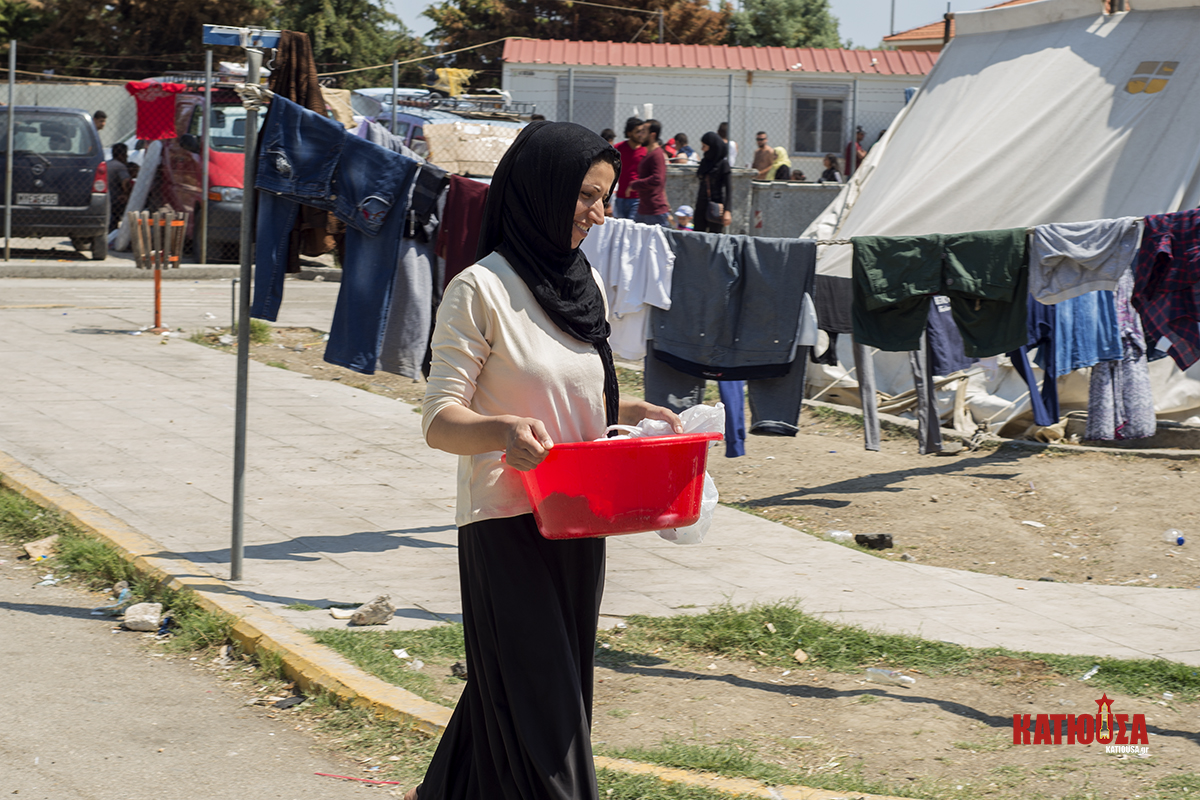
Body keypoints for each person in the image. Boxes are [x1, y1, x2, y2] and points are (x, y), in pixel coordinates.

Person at [411, 120, 681, 800]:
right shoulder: (480, 290)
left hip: (579, 522)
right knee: (548, 719)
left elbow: (574, 399)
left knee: (513, 698)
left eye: (606, 197)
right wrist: (501, 431)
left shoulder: (578, 280)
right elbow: (441, 421)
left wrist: (633, 413)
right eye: (584, 196)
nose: (597, 214)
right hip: (505, 525)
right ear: (540, 190)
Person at [630, 118, 670, 227]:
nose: (640, 135)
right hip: (644, 210)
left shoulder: (657, 155)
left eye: (644, 131)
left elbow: (658, 179)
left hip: (654, 213)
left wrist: (635, 184)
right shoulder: (649, 154)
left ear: (652, 135)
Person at [694, 131, 732, 233]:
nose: (702, 149)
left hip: (716, 206)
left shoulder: (723, 164)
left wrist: (727, 211)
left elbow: (729, 189)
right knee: (698, 236)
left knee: (715, 238)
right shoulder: (704, 162)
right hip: (701, 205)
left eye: (704, 146)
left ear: (712, 146)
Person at [611, 116, 646, 218]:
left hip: (638, 198)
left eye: (643, 131)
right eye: (638, 132)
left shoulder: (645, 150)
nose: (641, 135)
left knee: (632, 228)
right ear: (629, 133)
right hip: (620, 197)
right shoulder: (618, 149)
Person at [107, 142, 133, 231]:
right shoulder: (120, 166)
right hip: (115, 200)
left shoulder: (107, 164)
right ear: (122, 155)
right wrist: (126, 194)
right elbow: (126, 181)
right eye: (126, 154)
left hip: (106, 198)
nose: (127, 157)